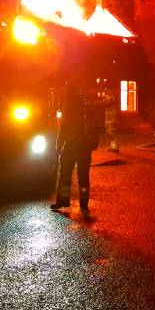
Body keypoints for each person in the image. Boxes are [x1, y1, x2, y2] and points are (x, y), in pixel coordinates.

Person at [51, 81, 97, 218]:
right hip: (84, 147)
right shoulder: (86, 108)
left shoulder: (68, 106)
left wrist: (58, 147)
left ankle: (63, 202)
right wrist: (92, 145)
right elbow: (95, 128)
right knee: (83, 177)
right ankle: (84, 204)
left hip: (71, 146)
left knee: (65, 175)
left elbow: (63, 129)